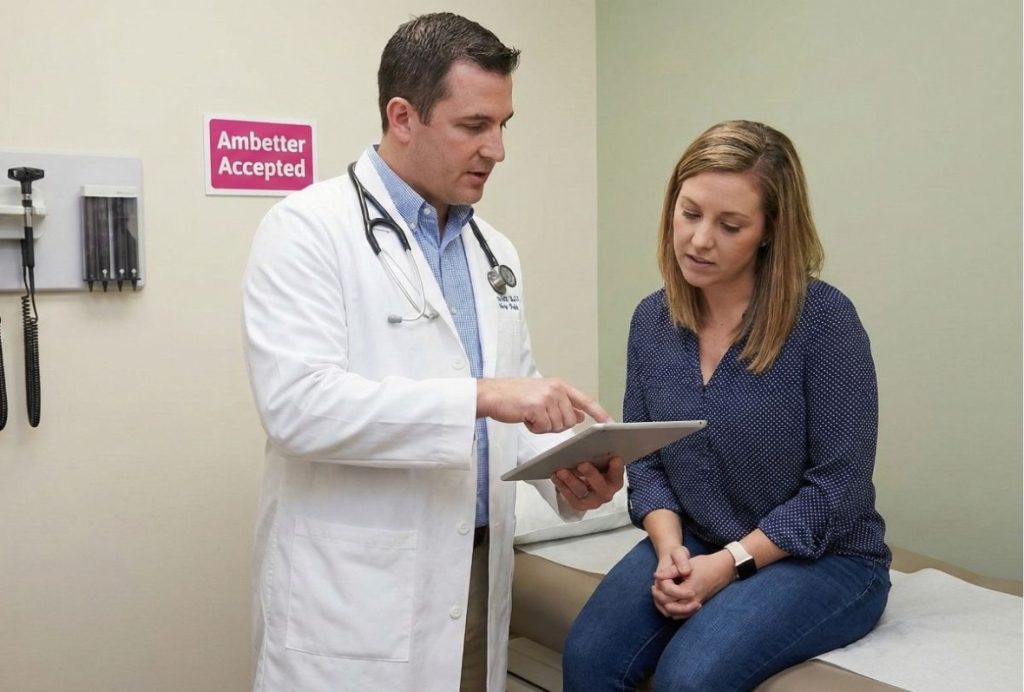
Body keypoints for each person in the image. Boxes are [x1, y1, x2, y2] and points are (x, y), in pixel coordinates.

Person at [241, 12, 623, 692]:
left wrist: (565, 474)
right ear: (402, 116)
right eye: (475, 126)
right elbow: (297, 409)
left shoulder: (493, 253)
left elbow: (514, 410)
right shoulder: (305, 230)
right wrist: (484, 395)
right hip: (356, 601)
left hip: (474, 585)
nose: (497, 149)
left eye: (504, 125)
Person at [562, 120, 891, 692]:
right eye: (689, 214)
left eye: (729, 225)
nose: (699, 240)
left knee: (689, 679)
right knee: (588, 658)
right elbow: (648, 460)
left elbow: (838, 491)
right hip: (695, 538)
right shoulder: (652, 320)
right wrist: (669, 551)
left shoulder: (824, 322)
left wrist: (728, 565)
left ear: (769, 231)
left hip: (828, 560)